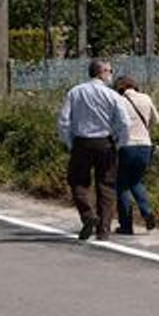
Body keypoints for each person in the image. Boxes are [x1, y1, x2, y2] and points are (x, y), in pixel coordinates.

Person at [56, 59, 132, 242]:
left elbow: (64, 121)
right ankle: (103, 229)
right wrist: (120, 143)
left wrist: (70, 143)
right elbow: (124, 122)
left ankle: (88, 215)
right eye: (110, 71)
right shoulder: (112, 95)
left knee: (77, 181)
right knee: (106, 185)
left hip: (82, 142)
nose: (111, 75)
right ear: (102, 72)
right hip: (105, 142)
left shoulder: (75, 92)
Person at [113, 76, 159, 235]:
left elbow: (114, 125)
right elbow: (157, 120)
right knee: (137, 181)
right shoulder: (146, 98)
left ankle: (126, 225)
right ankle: (147, 212)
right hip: (145, 145)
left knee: (123, 186)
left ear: (119, 88)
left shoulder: (119, 101)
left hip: (127, 146)